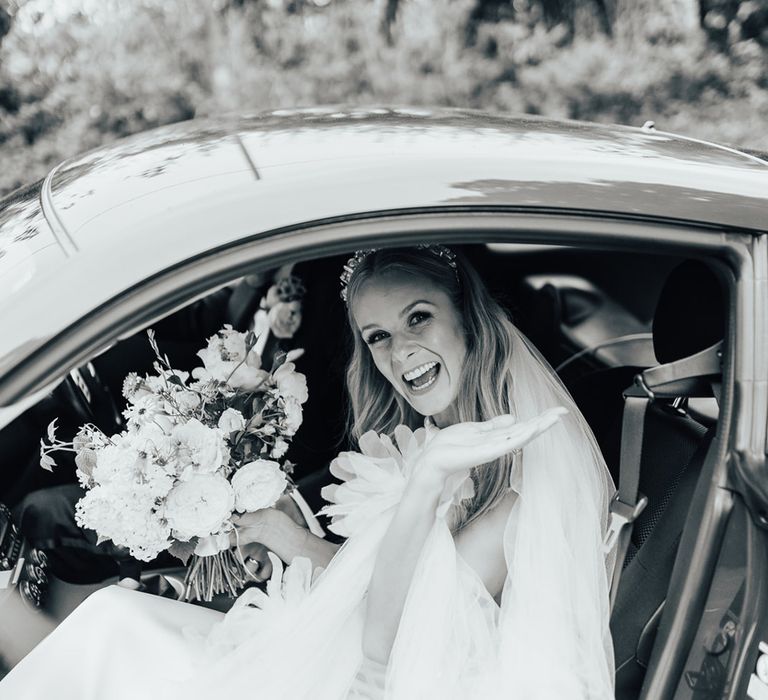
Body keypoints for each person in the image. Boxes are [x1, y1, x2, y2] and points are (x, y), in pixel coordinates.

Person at [0, 246, 616, 699]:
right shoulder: (442, 439)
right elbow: (388, 581)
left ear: (467, 315)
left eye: (419, 317)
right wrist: (286, 533)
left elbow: (395, 638)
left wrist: (425, 480)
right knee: (114, 618)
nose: (399, 353)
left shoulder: (513, 489)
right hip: (347, 648)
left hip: (385, 680)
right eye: (376, 336)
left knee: (116, 639)